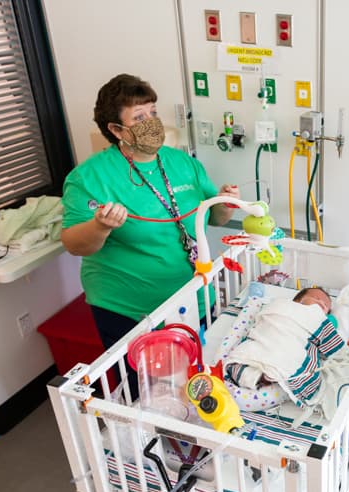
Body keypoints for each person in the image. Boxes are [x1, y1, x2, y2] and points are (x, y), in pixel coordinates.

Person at [61, 73, 239, 349]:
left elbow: (213, 217)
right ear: (117, 130)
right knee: (151, 387)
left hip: (195, 295)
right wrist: (100, 226)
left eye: (153, 112)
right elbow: (74, 244)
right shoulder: (89, 178)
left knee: (202, 375)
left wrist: (226, 204)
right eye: (140, 117)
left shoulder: (181, 162)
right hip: (131, 310)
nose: (152, 123)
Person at [223, 286, 344, 406]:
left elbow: (330, 348)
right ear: (298, 300)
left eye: (326, 307)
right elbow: (261, 323)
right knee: (239, 359)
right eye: (316, 298)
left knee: (293, 362)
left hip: (290, 348)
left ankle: (266, 377)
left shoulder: (318, 320)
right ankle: (258, 377)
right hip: (264, 341)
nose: (321, 305)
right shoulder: (280, 305)